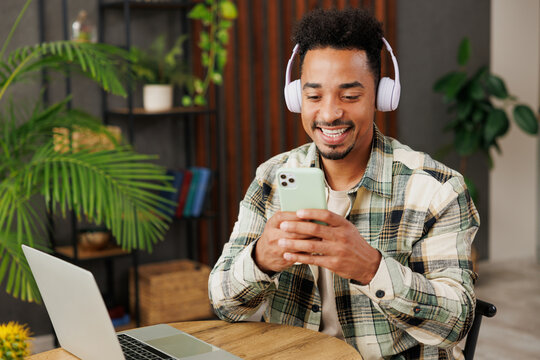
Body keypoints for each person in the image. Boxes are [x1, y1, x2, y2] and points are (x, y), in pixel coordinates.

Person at [208, 8, 479, 360]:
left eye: (349, 96)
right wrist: (260, 260)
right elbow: (223, 305)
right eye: (314, 96)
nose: (330, 113)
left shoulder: (436, 190)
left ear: (382, 96)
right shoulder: (272, 178)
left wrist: (370, 268)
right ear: (297, 99)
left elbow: (455, 323)